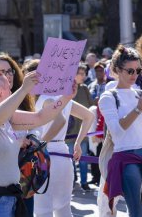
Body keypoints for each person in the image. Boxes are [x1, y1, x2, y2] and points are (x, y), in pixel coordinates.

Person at [0, 68, 77, 217]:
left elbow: (40, 117)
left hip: (5, 199)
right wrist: (24, 89)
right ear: (1, 91)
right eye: (8, 87)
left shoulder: (7, 117)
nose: (11, 91)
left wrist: (66, 98)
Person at [98, 45, 142, 217]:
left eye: (138, 70)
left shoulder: (139, 93)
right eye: (130, 71)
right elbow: (117, 131)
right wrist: (137, 109)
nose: (135, 75)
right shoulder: (108, 96)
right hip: (126, 157)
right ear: (117, 70)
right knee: (138, 211)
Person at [34, 81, 94, 217]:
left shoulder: (46, 98)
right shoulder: (62, 99)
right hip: (63, 155)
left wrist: (40, 145)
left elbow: (59, 121)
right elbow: (89, 116)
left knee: (43, 210)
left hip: (45, 157)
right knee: (63, 208)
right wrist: (78, 143)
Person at [0, 54, 36, 216]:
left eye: (10, 71)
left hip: (24, 173)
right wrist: (16, 141)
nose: (8, 75)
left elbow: (38, 121)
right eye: (2, 71)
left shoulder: (24, 99)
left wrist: (32, 138)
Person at [66, 64, 94, 191]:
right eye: (81, 74)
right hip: (69, 133)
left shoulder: (84, 89)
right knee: (70, 160)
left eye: (84, 73)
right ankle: (71, 181)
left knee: (83, 159)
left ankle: (84, 182)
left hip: (82, 132)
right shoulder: (66, 89)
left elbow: (90, 105)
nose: (84, 76)